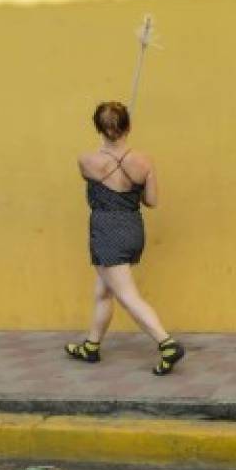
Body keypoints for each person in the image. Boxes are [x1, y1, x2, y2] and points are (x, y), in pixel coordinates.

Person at [64, 101, 184, 376]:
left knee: (128, 295)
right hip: (132, 227)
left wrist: (109, 150)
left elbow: (98, 175)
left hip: (107, 230)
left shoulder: (87, 161)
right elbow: (151, 201)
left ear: (98, 128)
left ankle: (167, 344)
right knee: (103, 290)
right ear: (128, 125)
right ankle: (91, 346)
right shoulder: (143, 161)